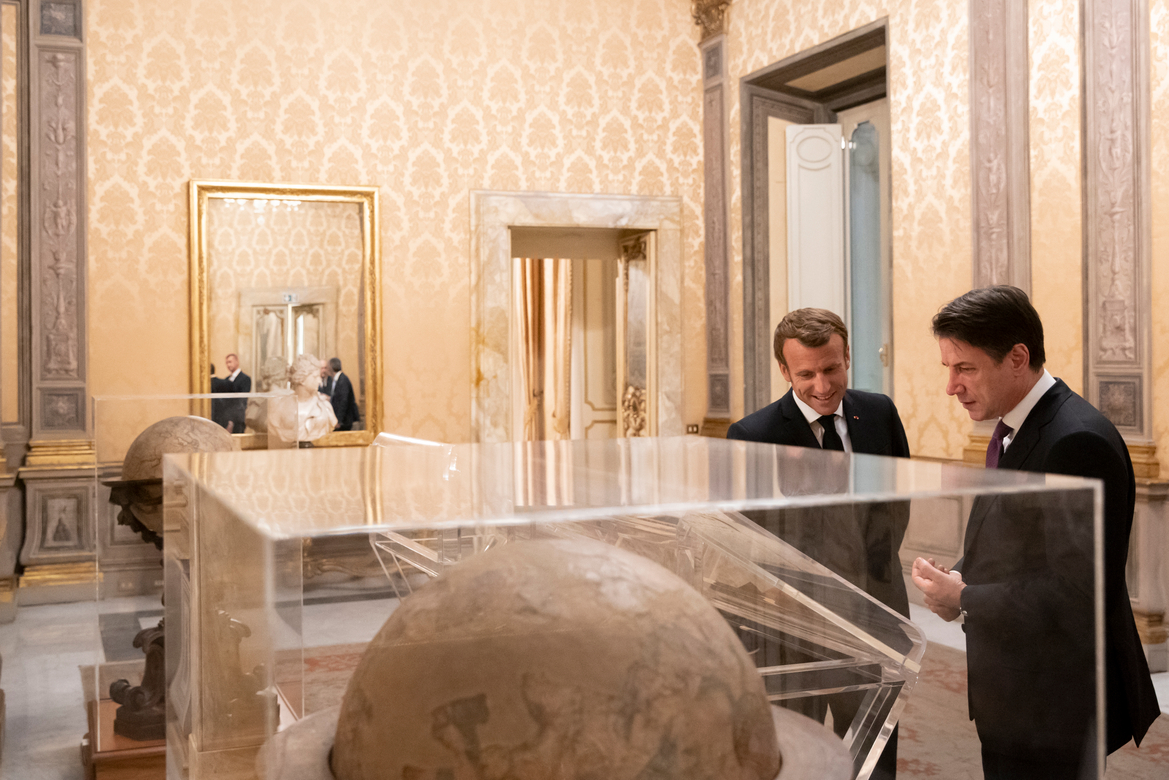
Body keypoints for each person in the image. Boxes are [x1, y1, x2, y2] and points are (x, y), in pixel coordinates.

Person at [912, 285, 1159, 778]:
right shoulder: (1018, 425)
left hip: (1054, 704)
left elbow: (1077, 592)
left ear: (1017, 358)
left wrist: (965, 598)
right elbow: (1019, 545)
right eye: (948, 369)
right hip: (1018, 695)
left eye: (965, 368)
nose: (951, 386)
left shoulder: (1076, 441)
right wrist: (958, 578)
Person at [727, 307, 910, 780]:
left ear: (847, 357)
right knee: (798, 755)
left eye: (832, 368)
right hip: (793, 628)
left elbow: (897, 507)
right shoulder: (753, 436)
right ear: (784, 370)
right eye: (806, 374)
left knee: (873, 755)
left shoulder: (879, 413)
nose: (823, 386)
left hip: (872, 616)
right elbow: (748, 540)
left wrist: (875, 585)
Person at [211, 353, 250, 433]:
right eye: (227, 363)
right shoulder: (226, 379)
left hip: (238, 417)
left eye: (230, 362)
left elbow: (241, 399)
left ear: (237, 362)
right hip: (226, 417)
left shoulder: (245, 379)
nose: (228, 365)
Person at [327, 357, 361, 431]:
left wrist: (339, 420)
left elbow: (343, 401)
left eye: (328, 367)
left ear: (331, 367)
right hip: (343, 420)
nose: (327, 369)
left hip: (345, 421)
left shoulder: (343, 380)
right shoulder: (338, 379)